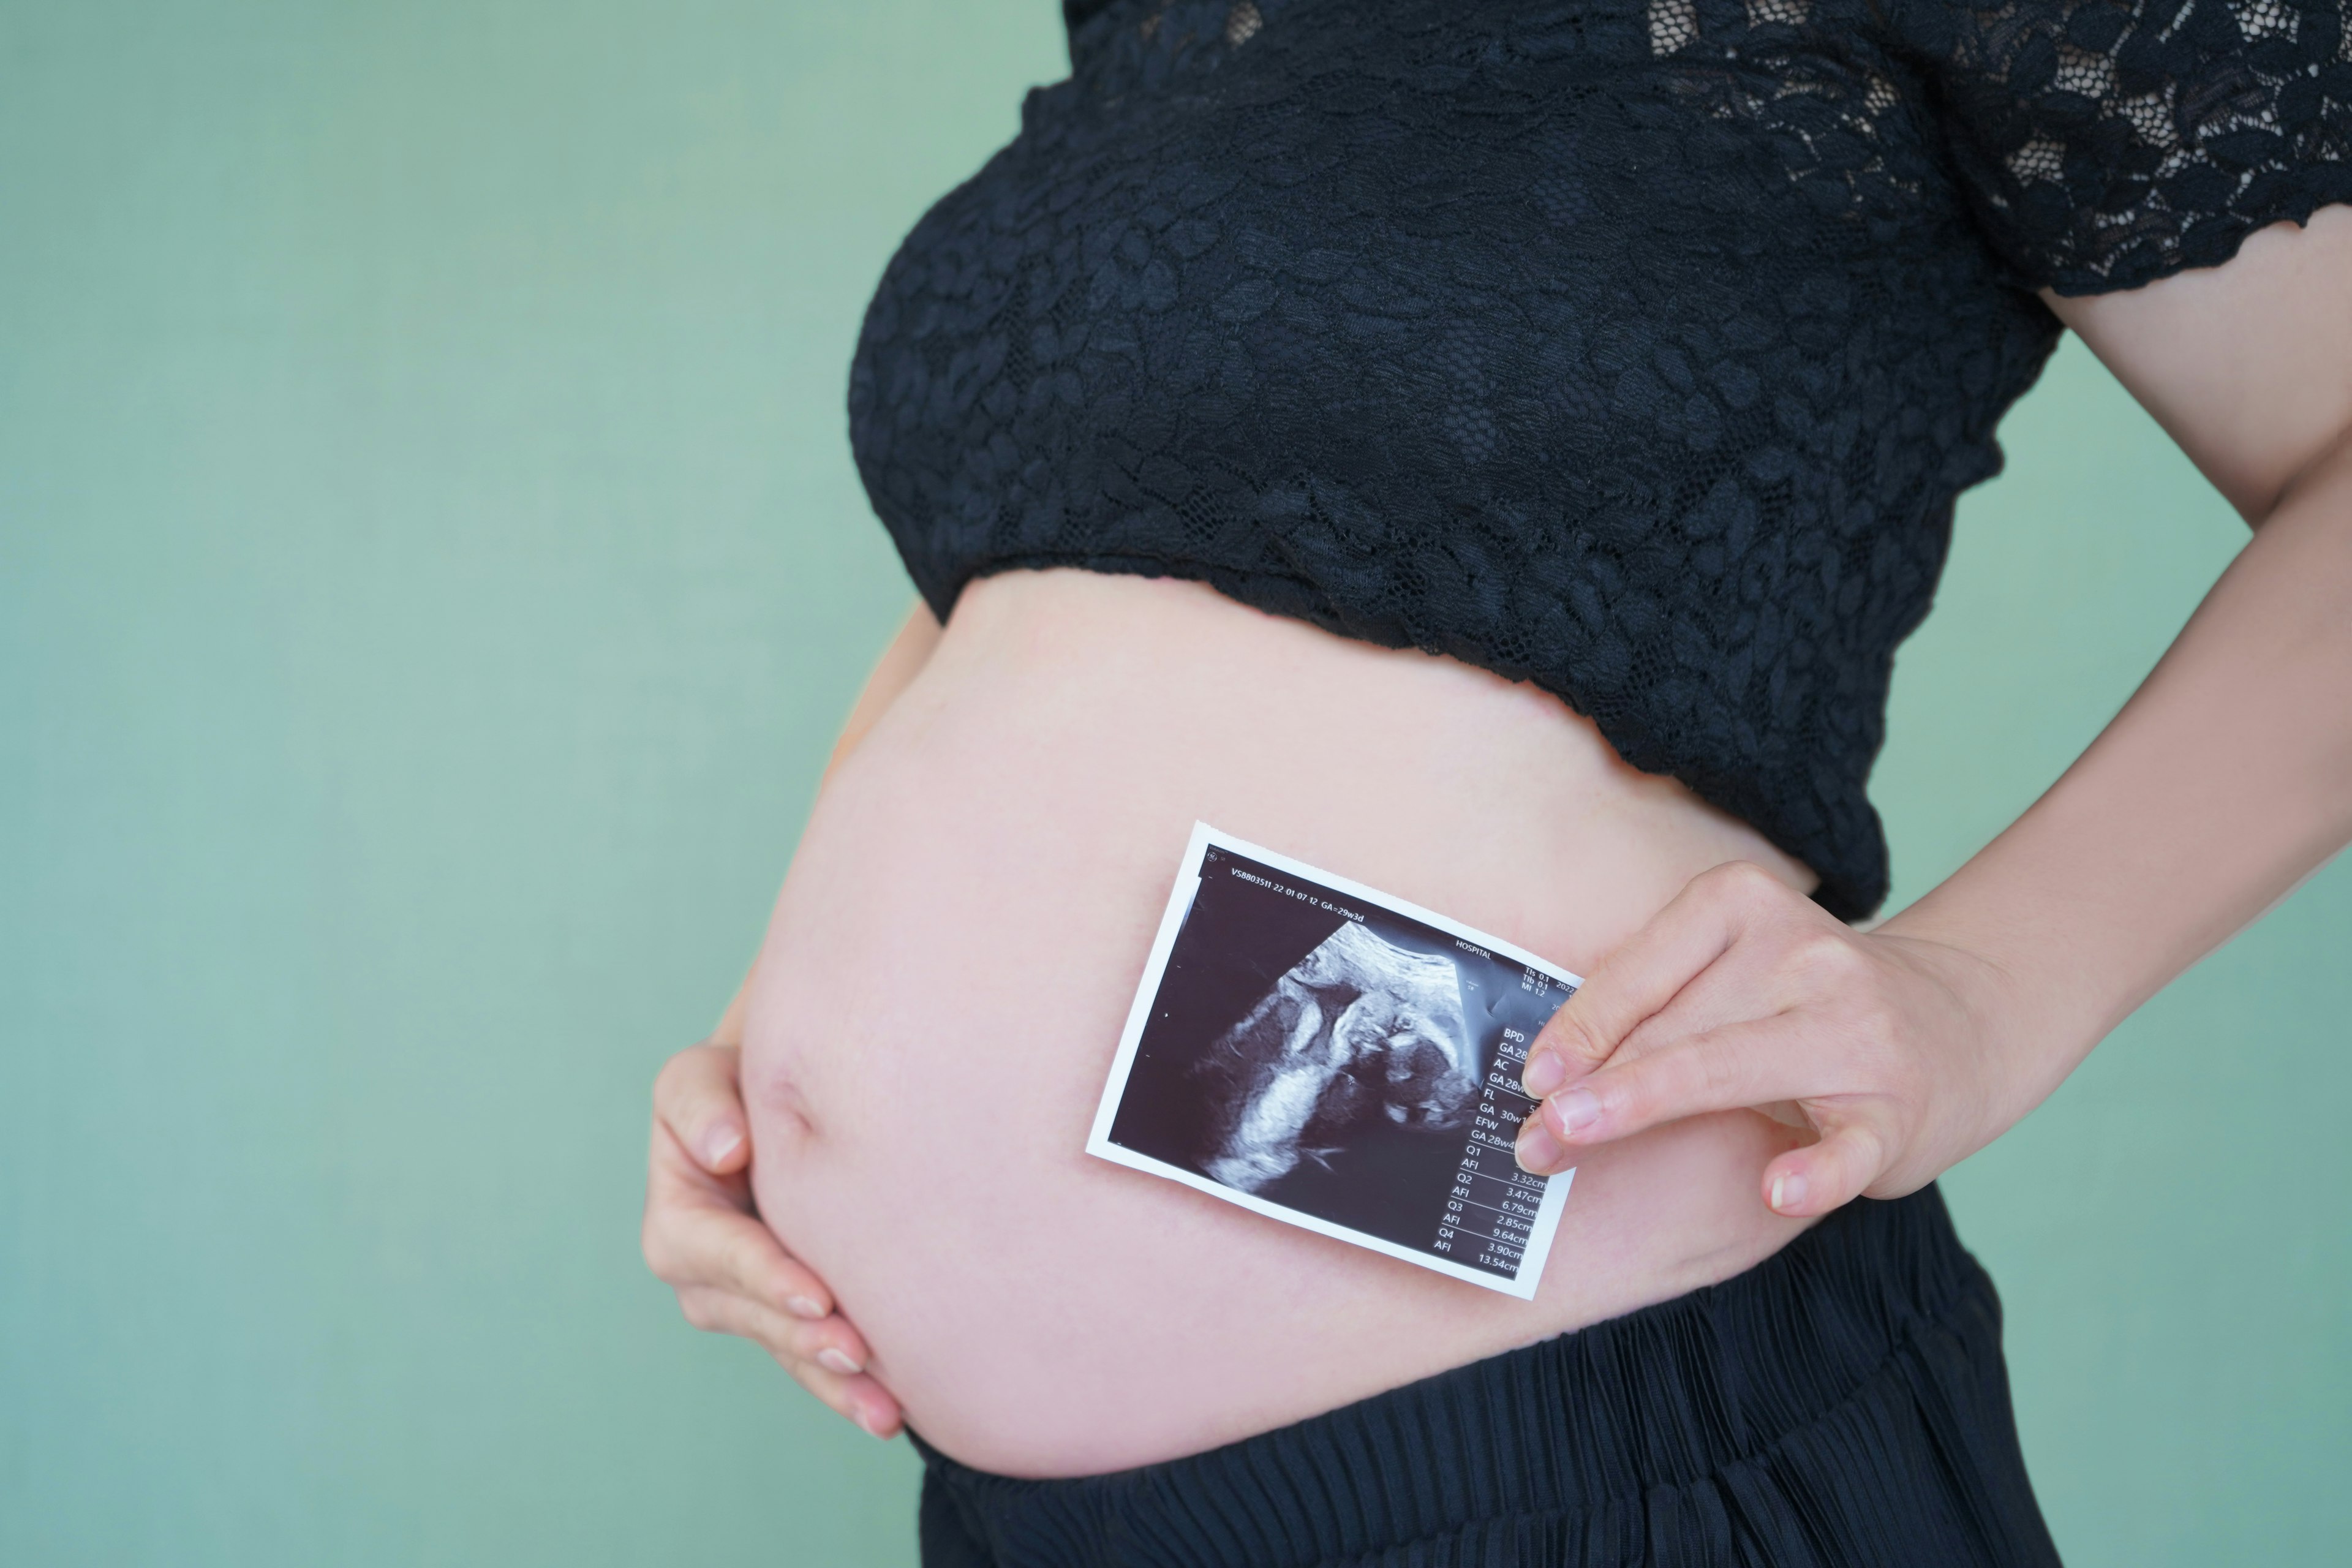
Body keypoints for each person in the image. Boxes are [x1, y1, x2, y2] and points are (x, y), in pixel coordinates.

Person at [642, 1, 2352, 1561]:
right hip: (1031, 1520)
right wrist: (787, 1053)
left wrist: (1987, 994)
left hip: (1574, 1461)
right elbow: (1044, 556)